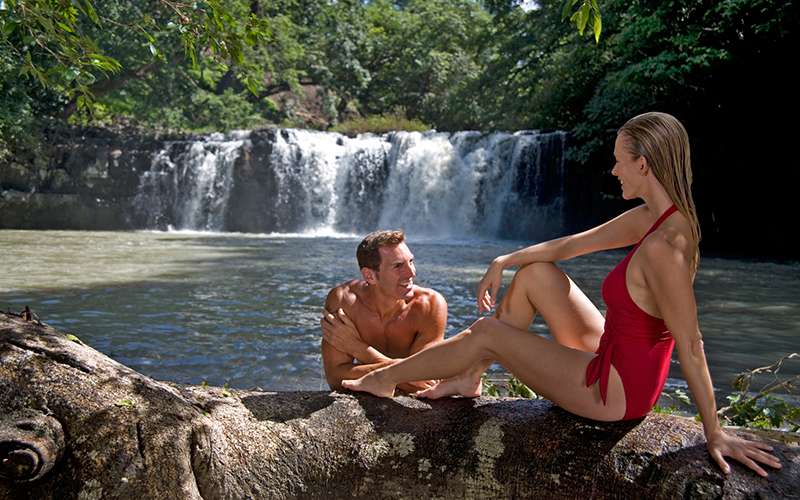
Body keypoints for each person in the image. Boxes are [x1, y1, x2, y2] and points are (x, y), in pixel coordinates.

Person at [341, 112, 782, 477]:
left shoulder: (667, 245)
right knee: (536, 274)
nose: (613, 170)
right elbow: (570, 245)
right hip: (614, 353)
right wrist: (504, 262)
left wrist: (715, 433)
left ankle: (385, 379)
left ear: (643, 164)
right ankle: (468, 377)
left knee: (487, 332)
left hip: (618, 391)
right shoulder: (655, 216)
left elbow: (691, 343)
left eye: (618, 161)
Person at [321, 230, 447, 393]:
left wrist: (358, 348)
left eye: (411, 261)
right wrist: (405, 375)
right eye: (398, 266)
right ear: (370, 276)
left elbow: (424, 382)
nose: (411, 273)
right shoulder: (344, 302)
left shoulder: (429, 305)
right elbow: (336, 379)